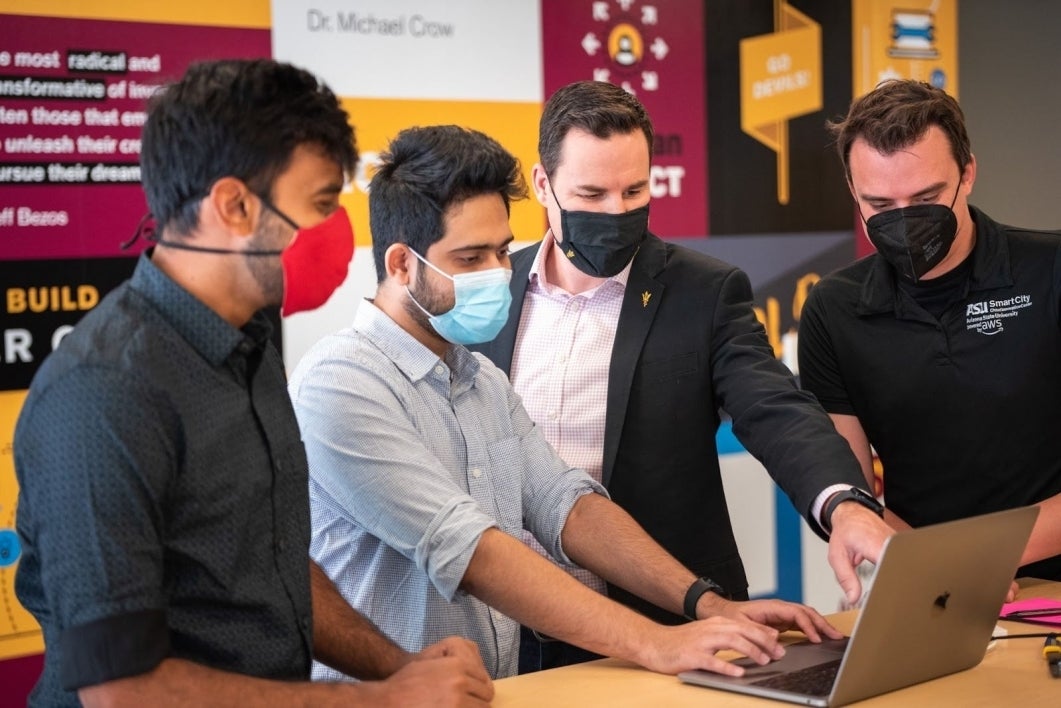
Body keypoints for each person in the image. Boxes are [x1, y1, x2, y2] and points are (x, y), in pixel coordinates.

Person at [288, 124, 849, 682]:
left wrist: (706, 604)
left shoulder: (479, 378)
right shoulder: (340, 385)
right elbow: (470, 549)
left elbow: (569, 506)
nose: (495, 274)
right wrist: (654, 643)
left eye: (501, 251)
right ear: (401, 265)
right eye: (469, 257)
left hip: (491, 692)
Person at [13, 59, 491, 707]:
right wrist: (382, 701)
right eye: (320, 205)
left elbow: (271, 568)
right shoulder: (103, 395)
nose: (335, 232)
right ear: (234, 205)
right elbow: (122, 689)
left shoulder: (251, 339)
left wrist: (399, 669)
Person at [470, 80, 894, 671]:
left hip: (668, 629)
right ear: (544, 185)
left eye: (635, 190)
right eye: (591, 194)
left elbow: (774, 408)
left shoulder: (704, 292)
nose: (617, 212)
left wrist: (843, 504)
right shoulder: (485, 289)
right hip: (503, 636)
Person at [798, 78, 1061, 581]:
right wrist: (931, 569)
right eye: (879, 204)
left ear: (968, 173)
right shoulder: (834, 309)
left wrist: (985, 561)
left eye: (926, 196)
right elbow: (850, 488)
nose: (905, 220)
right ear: (853, 192)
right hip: (927, 585)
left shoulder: (1050, 270)